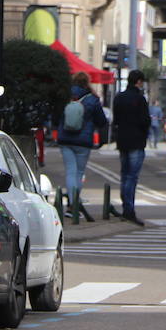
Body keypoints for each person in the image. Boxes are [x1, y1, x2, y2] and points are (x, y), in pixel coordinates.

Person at [57, 72, 108, 220]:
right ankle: (74, 206)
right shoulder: (92, 99)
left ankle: (71, 205)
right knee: (79, 173)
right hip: (83, 142)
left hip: (65, 139)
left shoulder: (66, 97)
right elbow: (102, 121)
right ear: (87, 83)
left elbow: (56, 115)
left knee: (70, 172)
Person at [111, 70, 151, 224]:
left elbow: (116, 120)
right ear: (139, 82)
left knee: (125, 174)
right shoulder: (140, 99)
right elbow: (145, 121)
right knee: (132, 177)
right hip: (136, 141)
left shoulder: (119, 98)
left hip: (123, 141)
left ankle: (126, 206)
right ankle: (129, 209)